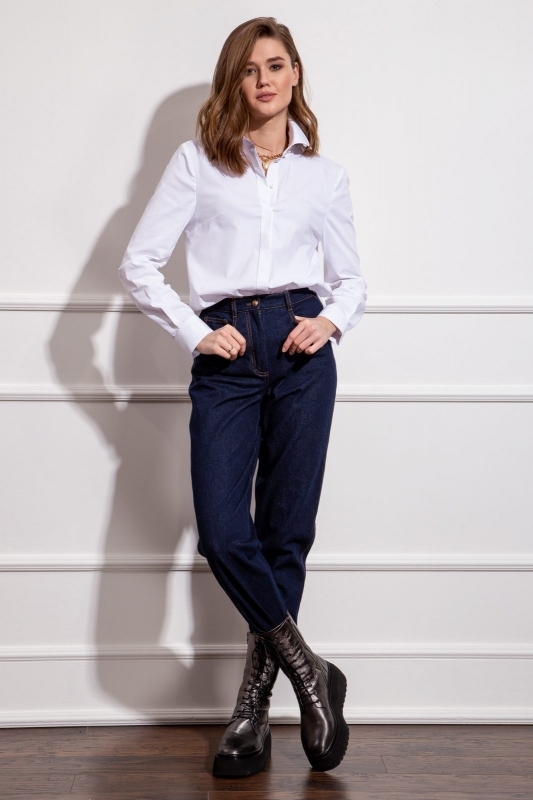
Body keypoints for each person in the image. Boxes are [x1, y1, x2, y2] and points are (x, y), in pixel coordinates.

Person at [118, 16, 367, 778]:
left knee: (286, 534)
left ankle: (251, 709)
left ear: (295, 75)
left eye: (276, 65)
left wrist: (329, 321)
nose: (264, 79)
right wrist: (197, 333)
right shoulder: (197, 163)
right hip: (226, 354)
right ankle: (309, 669)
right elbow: (140, 262)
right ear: (235, 80)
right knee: (226, 534)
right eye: (250, 68)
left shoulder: (322, 176)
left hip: (301, 352)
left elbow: (351, 278)